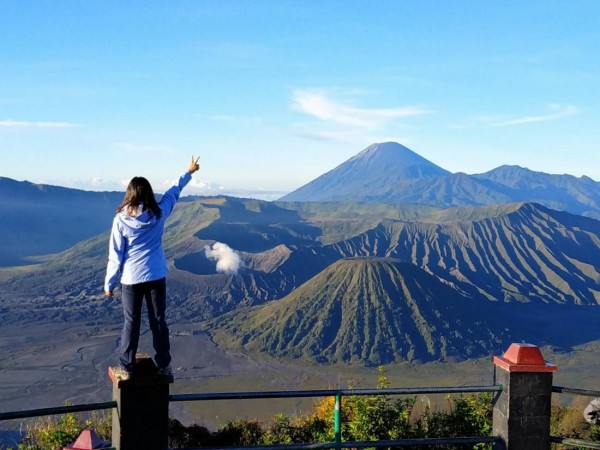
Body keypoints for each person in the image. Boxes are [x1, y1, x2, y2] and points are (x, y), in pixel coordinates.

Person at [104, 156, 200, 380]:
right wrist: (189, 172)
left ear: (130, 194)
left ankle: (126, 367)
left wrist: (109, 283)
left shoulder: (121, 220)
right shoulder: (159, 213)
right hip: (156, 274)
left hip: (131, 278)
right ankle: (164, 366)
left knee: (131, 322)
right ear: (148, 193)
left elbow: (115, 255)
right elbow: (173, 192)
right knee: (158, 321)